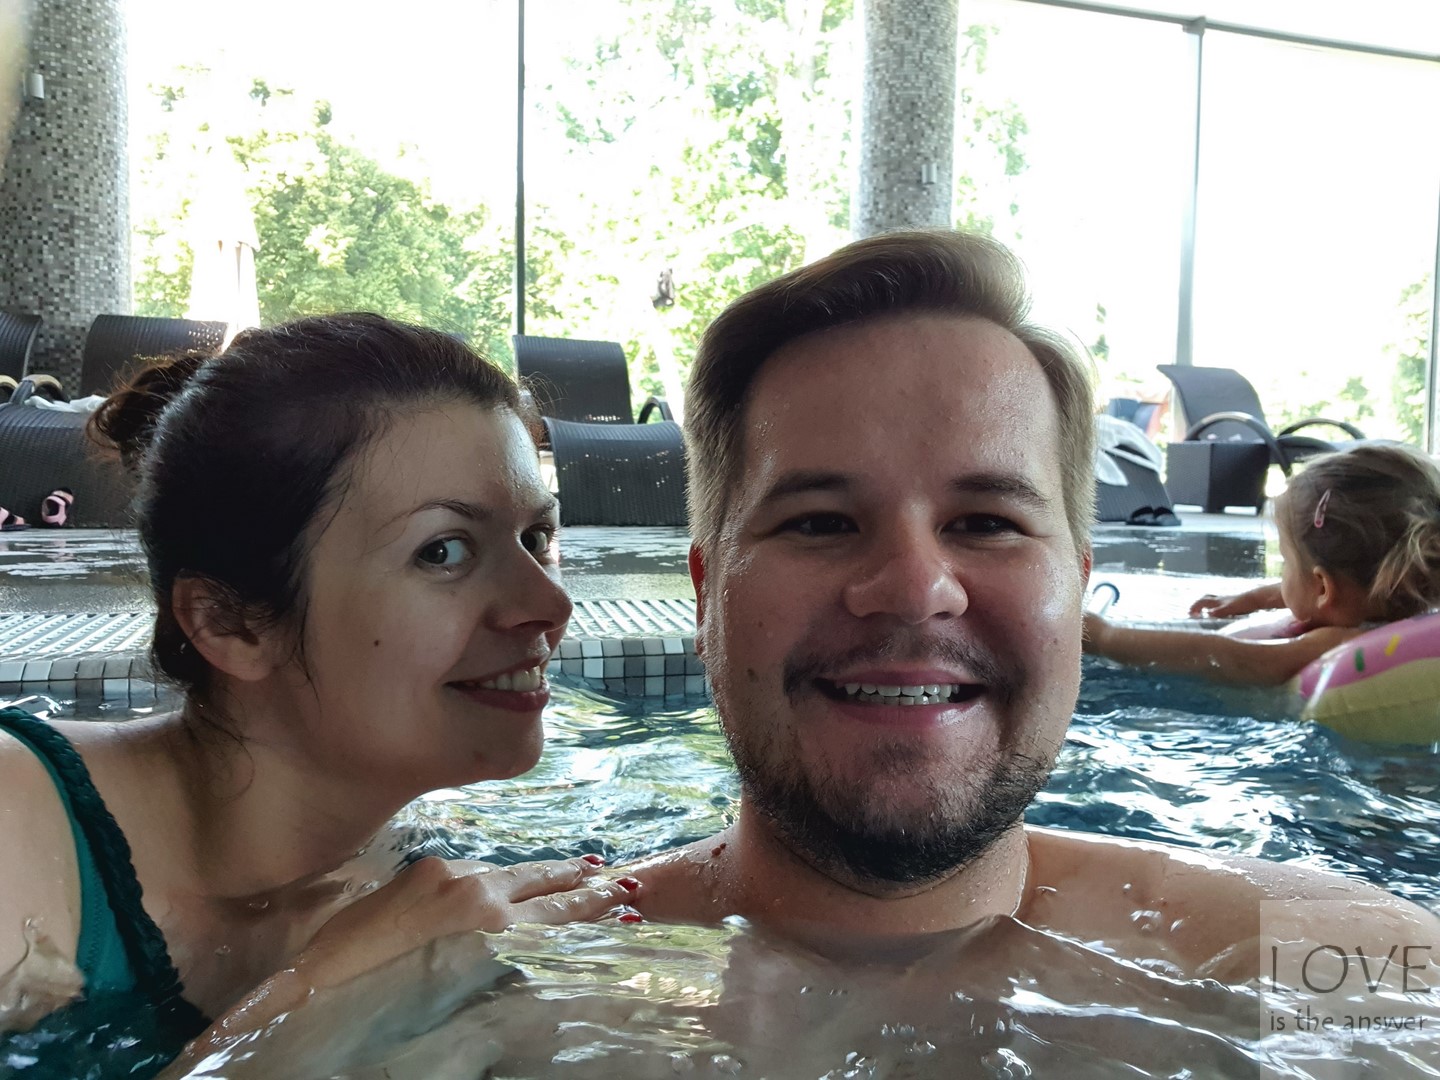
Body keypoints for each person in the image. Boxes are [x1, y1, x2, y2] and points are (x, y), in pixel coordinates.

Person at [620, 229, 1437, 974]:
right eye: (820, 522)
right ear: (705, 596)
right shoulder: (551, 975)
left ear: (1077, 587)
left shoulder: (1320, 961)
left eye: (987, 523)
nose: (915, 590)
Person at [0, 315, 638, 1066]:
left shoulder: (432, 891)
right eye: (443, 551)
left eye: (536, 539)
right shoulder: (20, 834)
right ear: (231, 623)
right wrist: (317, 997)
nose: (550, 605)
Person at [1086, 443, 1440, 686]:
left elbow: (1233, 658)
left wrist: (1105, 637)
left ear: (1322, 586)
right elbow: (1322, 591)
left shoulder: (1337, 641)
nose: (1282, 574)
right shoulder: (1377, 605)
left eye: (1285, 562)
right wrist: (1253, 599)